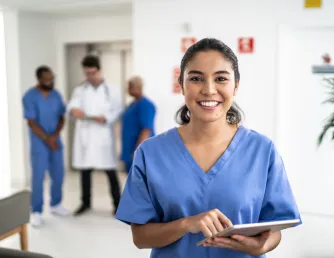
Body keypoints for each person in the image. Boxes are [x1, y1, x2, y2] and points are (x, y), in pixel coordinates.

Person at [115, 38, 301, 257]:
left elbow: (275, 228)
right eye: (196, 78)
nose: (209, 89)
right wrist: (186, 224)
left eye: (221, 78)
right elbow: (140, 237)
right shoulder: (150, 153)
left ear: (236, 86)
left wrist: (263, 245)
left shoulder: (262, 150)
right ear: (182, 85)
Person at [67, 55, 122, 216]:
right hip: (85, 136)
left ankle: (118, 205)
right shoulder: (80, 90)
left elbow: (117, 110)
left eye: (92, 73)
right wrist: (72, 111)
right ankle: (85, 203)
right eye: (87, 73)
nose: (90, 76)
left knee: (111, 172)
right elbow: (72, 107)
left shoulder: (111, 89)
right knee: (85, 171)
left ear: (99, 70)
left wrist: (106, 118)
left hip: (103, 134)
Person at [22, 66, 69, 227]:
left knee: (58, 174)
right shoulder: (29, 96)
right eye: (47, 79)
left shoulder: (56, 95)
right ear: (39, 79)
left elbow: (62, 117)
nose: (50, 81)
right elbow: (31, 122)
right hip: (39, 143)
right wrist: (47, 139)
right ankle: (36, 211)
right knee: (38, 176)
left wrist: (55, 136)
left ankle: (55, 204)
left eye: (52, 78)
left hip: (55, 141)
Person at [120, 76, 156, 173]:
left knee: (141, 183)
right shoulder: (132, 104)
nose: (127, 89)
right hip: (129, 150)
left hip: (139, 152)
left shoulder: (146, 105)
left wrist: (138, 151)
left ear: (135, 87)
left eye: (129, 86)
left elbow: (146, 130)